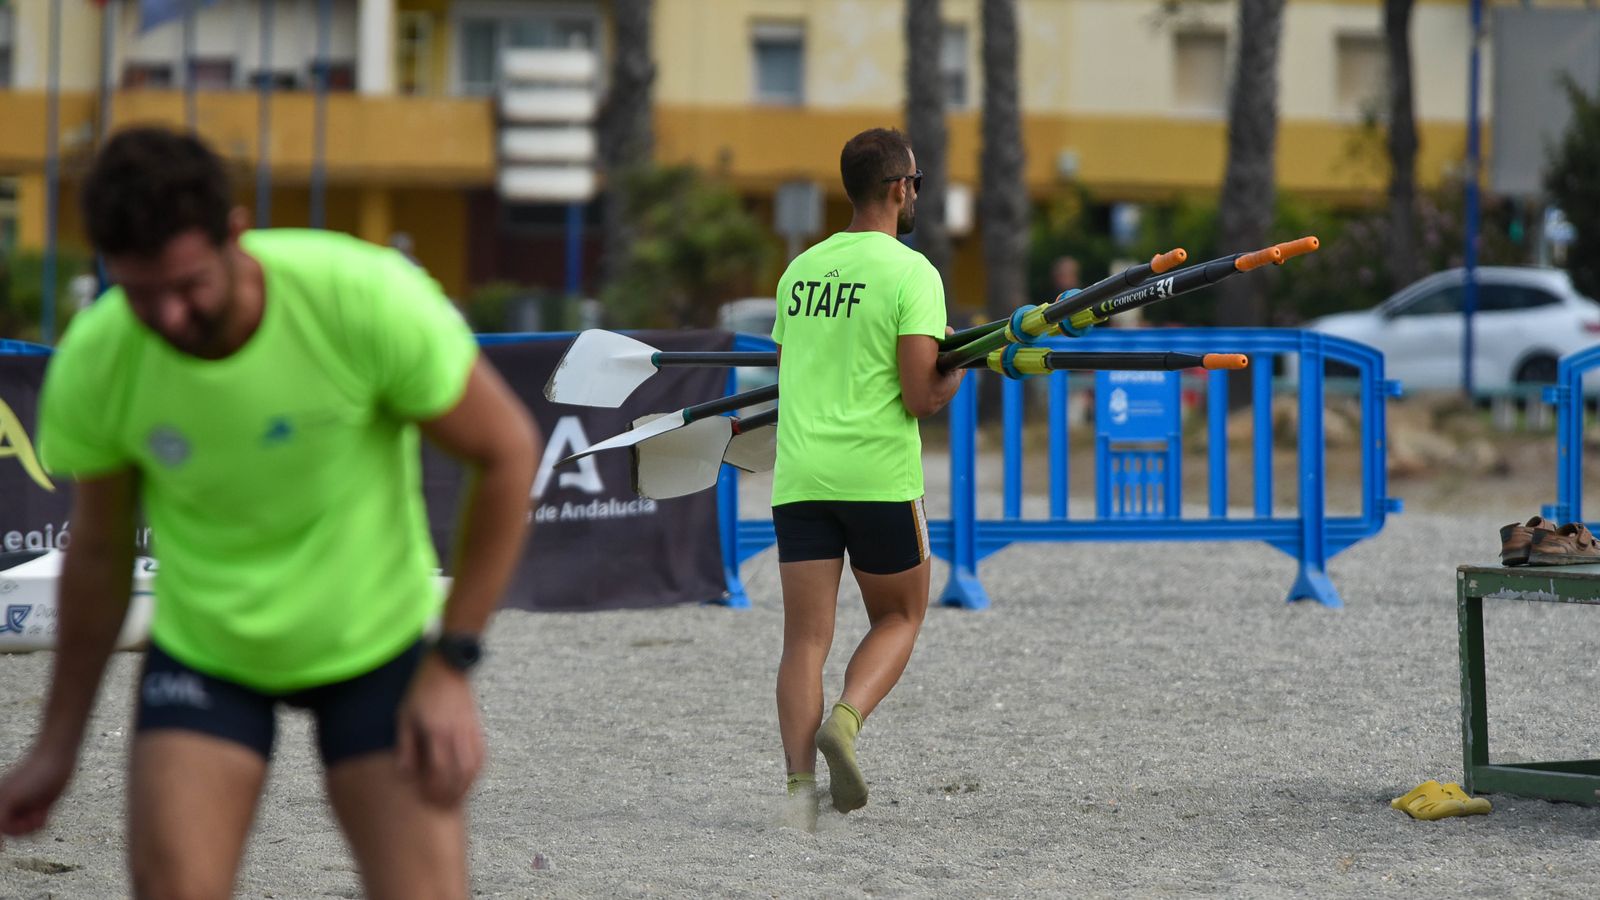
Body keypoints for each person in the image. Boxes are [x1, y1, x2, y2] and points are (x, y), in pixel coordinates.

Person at [0, 126, 540, 899]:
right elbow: (99, 552)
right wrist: (57, 744)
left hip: (374, 641)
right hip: (207, 651)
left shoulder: (362, 297)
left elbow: (507, 452)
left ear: (235, 234)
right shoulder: (102, 353)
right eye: (142, 293)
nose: (172, 317)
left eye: (188, 286)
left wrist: (454, 662)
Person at [770, 128, 965, 814]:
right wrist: (955, 374)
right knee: (901, 615)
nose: (917, 192)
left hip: (800, 477)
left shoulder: (800, 271)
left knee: (804, 639)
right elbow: (919, 395)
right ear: (897, 188)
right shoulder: (913, 273)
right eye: (917, 181)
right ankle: (845, 724)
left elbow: (794, 369)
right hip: (877, 476)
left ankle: (798, 792)